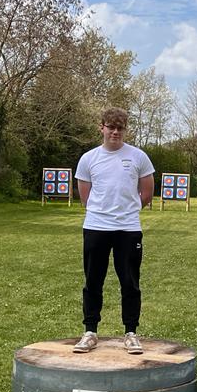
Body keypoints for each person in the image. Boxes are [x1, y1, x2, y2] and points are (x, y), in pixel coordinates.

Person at [73, 107, 155, 354]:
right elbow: (85, 197)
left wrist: (127, 211)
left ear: (125, 130)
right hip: (96, 227)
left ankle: (131, 333)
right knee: (93, 280)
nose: (115, 132)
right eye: (111, 127)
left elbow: (147, 192)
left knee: (130, 282)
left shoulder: (139, 157)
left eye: (120, 128)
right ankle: (90, 332)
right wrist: (102, 213)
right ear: (102, 128)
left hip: (128, 229)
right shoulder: (88, 159)